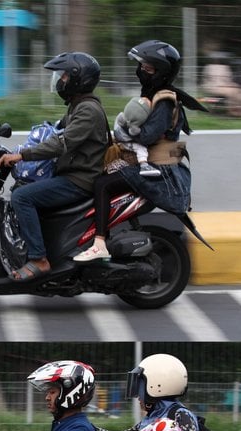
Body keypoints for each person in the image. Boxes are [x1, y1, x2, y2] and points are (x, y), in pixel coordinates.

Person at [76, 40, 206, 263]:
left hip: (157, 169)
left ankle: (99, 243)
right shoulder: (156, 95)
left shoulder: (164, 100)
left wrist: (125, 128)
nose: (140, 72)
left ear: (161, 72)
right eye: (141, 66)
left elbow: (147, 136)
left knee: (101, 184)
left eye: (147, 68)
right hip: (149, 161)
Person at [0, 52, 108, 281]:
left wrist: (22, 155)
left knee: (22, 198)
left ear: (79, 79)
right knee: (21, 188)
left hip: (78, 181)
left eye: (65, 76)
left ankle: (39, 259)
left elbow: (60, 144)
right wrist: (19, 147)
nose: (61, 81)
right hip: (71, 174)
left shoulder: (88, 110)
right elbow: (52, 132)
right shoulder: (78, 107)